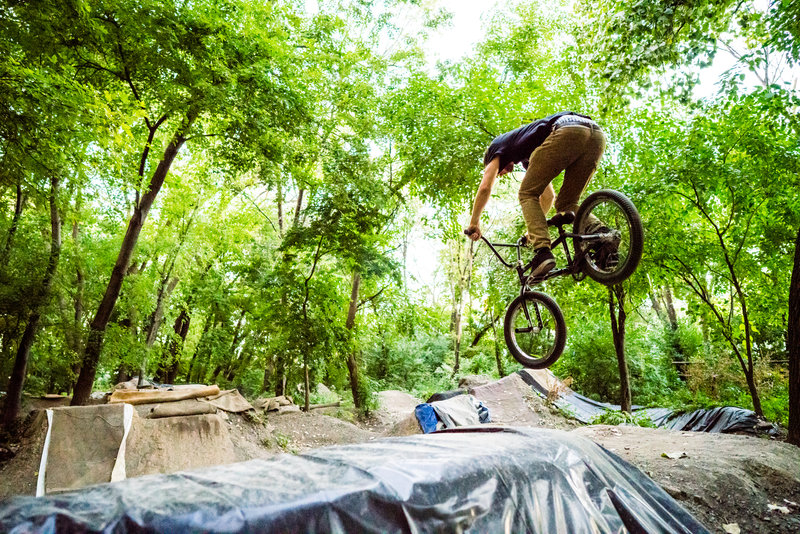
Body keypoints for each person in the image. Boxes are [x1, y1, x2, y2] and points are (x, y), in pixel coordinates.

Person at [465, 111, 606, 278]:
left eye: (498, 172)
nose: (500, 174)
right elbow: (548, 197)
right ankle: (603, 236)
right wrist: (532, 232)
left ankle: (542, 253)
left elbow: (485, 187)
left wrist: (474, 222)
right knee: (566, 204)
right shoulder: (528, 154)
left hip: (566, 130)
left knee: (526, 193)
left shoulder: (496, 147)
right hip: (596, 135)